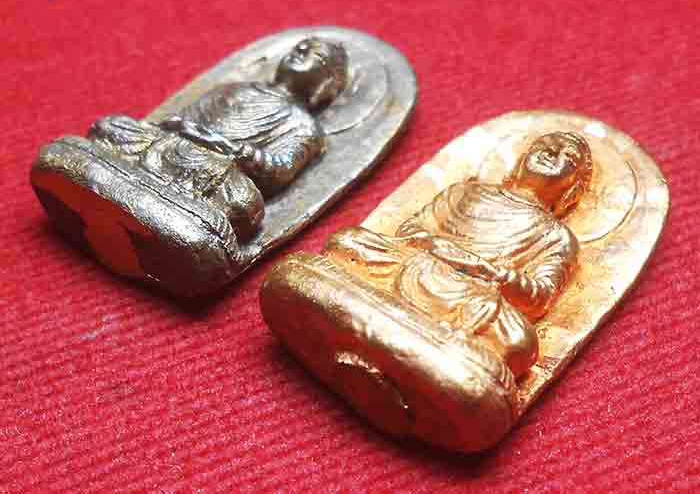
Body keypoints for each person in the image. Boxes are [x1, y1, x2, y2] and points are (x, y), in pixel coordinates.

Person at [324, 132, 592, 377]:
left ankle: (368, 308)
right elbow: (410, 229)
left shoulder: (557, 237)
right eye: (544, 146)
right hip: (415, 264)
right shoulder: (465, 191)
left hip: (474, 297)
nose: (551, 153)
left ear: (574, 190)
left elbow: (539, 297)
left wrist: (480, 268)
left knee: (519, 344)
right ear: (521, 160)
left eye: (567, 157)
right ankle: (438, 346)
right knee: (346, 241)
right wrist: (432, 245)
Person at [87, 37, 349, 240]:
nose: (300, 51)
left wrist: (233, 150)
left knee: (243, 205)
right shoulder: (235, 87)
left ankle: (124, 183)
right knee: (110, 126)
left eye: (315, 55)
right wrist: (178, 128)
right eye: (300, 47)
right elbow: (178, 121)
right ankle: (172, 208)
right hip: (169, 147)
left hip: (215, 170)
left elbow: (279, 170)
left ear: (327, 85)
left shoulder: (304, 126)